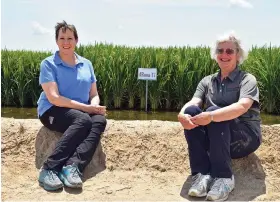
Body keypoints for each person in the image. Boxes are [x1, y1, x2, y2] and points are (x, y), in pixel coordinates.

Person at [178, 32, 261, 201]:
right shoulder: (207, 81)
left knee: (216, 111)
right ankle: (201, 174)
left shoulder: (247, 79)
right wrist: (181, 114)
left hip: (243, 139)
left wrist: (212, 115)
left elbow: (242, 106)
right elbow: (194, 101)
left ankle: (224, 178)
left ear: (238, 55)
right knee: (192, 112)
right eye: (220, 50)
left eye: (229, 51)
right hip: (217, 139)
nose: (224, 55)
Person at [37, 21, 107, 191]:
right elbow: (54, 98)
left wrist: (94, 106)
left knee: (99, 120)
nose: (66, 42)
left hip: (80, 110)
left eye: (70, 38)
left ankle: (72, 167)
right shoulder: (49, 64)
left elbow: (94, 94)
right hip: (52, 110)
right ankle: (49, 169)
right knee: (83, 120)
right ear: (56, 41)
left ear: (76, 40)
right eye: (62, 38)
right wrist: (86, 109)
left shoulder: (86, 64)